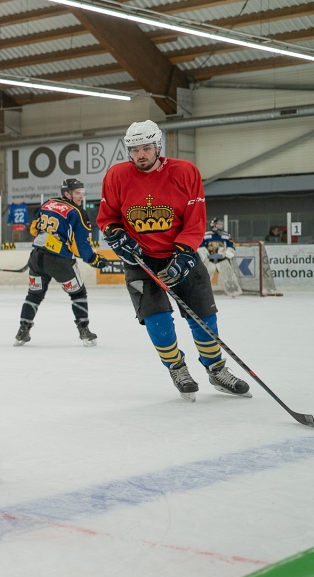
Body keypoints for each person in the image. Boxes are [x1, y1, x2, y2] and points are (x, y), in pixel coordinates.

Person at [97, 120, 250, 401]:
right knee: (157, 319)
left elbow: (195, 221)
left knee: (203, 316)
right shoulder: (117, 176)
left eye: (145, 148)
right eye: (134, 149)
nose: (140, 154)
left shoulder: (185, 172)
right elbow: (107, 217)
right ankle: (177, 367)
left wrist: (184, 254)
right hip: (140, 260)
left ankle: (216, 369)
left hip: (182, 256)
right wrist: (116, 235)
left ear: (157, 146)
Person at [14, 178, 106, 347]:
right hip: (59, 261)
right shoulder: (77, 212)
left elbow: (34, 228)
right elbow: (81, 246)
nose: (81, 196)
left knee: (34, 295)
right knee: (78, 293)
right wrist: (94, 259)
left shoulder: (48, 203)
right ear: (67, 194)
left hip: (36, 257)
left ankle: (22, 331)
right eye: (77, 193)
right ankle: (84, 332)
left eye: (82, 193)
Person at [200, 219, 242, 297]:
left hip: (222, 259)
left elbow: (231, 245)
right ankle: (202, 293)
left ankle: (234, 291)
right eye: (218, 224)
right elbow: (201, 246)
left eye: (220, 224)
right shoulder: (206, 235)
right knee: (205, 276)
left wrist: (226, 254)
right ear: (213, 225)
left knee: (229, 275)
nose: (220, 226)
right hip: (210, 260)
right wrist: (205, 255)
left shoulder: (226, 235)